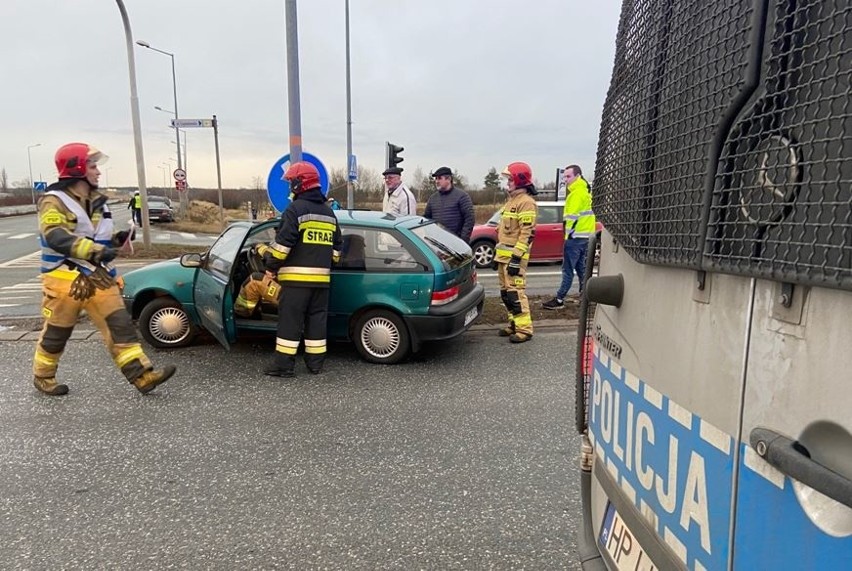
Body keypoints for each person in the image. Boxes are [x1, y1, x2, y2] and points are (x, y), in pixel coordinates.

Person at [33, 142, 176, 396]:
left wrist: (116, 240)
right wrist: (95, 251)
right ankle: (43, 376)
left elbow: (95, 238)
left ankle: (142, 376)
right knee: (58, 331)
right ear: (76, 168)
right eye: (93, 166)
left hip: (98, 277)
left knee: (119, 325)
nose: (98, 172)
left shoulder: (98, 203)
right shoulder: (54, 201)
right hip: (64, 278)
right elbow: (55, 235)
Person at [263, 162, 342, 378]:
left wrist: (270, 265)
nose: (290, 186)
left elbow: (282, 248)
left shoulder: (295, 210)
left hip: (296, 283)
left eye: (291, 182)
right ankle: (315, 364)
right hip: (321, 283)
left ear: (300, 183)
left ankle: (283, 366)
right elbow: (337, 250)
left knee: (290, 322)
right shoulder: (328, 213)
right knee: (317, 322)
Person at [495, 162, 538, 343]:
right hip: (504, 257)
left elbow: (527, 235)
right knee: (506, 294)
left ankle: (525, 329)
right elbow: (504, 232)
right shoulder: (512, 201)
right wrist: (496, 256)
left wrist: (516, 259)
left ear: (520, 180)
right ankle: (513, 323)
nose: (508, 182)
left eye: (511, 179)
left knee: (516, 294)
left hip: (515, 259)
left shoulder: (526, 203)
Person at [543, 164, 596, 309]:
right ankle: (585, 297)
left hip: (574, 238)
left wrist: (568, 236)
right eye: (564, 176)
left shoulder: (576, 194)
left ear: (577, 176)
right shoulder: (586, 192)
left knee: (567, 270)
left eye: (568, 176)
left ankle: (559, 299)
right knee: (581, 270)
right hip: (585, 237)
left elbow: (571, 218)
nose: (565, 180)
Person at [423, 166, 475, 242]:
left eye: (440, 178)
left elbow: (469, 219)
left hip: (456, 242)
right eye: (436, 179)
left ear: (448, 179)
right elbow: (427, 218)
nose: (437, 181)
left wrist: (463, 240)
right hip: (438, 243)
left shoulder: (462, 196)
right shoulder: (433, 198)